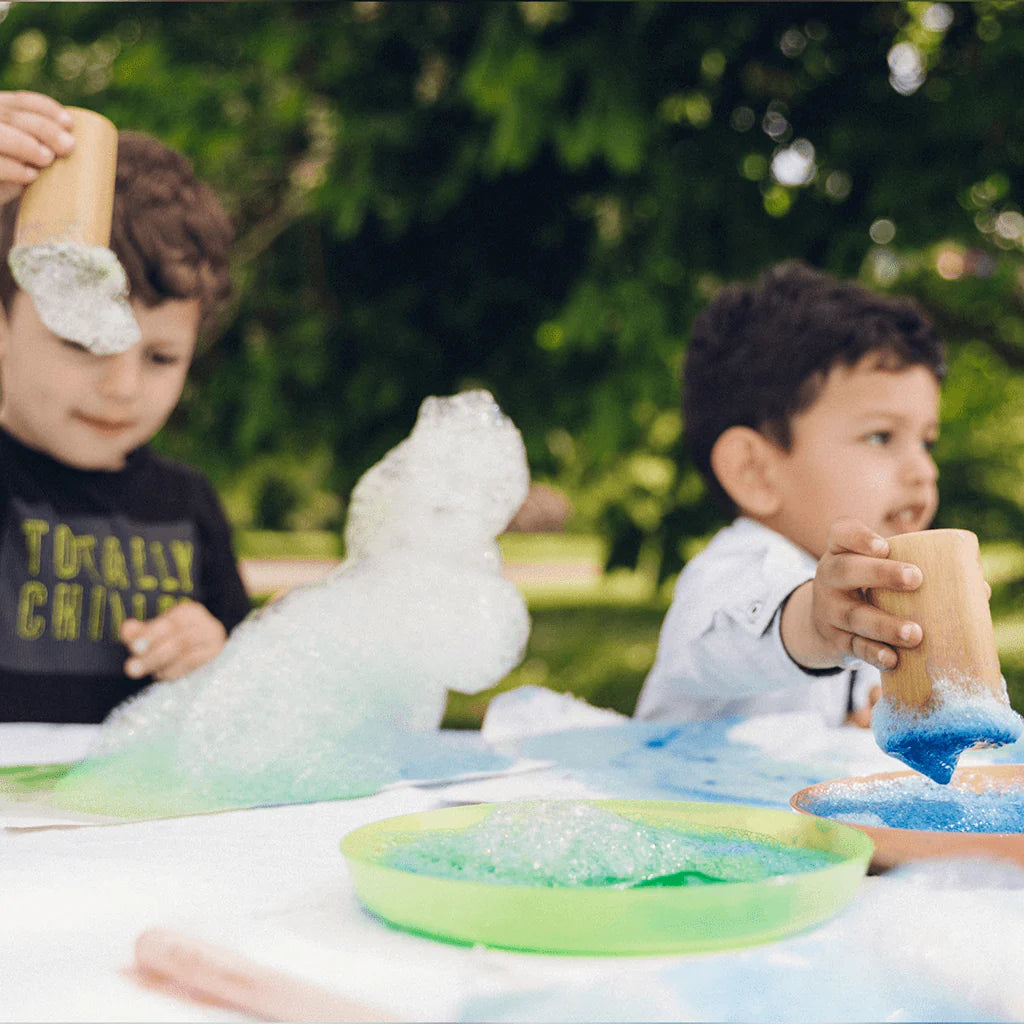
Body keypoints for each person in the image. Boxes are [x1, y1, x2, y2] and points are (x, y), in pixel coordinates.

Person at [0, 91, 250, 722]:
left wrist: (211, 654)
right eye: (83, 340)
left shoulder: (189, 506)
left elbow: (249, 695)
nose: (123, 388)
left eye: (161, 358)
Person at [635, 260, 948, 727]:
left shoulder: (862, 602)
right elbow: (749, 634)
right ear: (754, 472)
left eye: (926, 441)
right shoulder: (730, 574)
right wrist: (816, 623)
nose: (923, 471)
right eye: (881, 436)